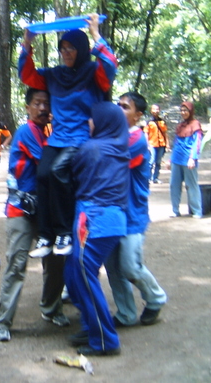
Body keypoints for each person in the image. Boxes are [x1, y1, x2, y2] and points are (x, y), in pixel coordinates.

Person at [19, 14, 118, 257]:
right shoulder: (54, 75)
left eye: (71, 47)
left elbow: (110, 67)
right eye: (62, 48)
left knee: (58, 171)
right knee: (42, 174)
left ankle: (64, 233)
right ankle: (45, 235)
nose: (66, 52)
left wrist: (96, 34)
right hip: (58, 137)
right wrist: (27, 43)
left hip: (83, 137)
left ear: (82, 49)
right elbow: (27, 75)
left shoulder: (94, 72)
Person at [0, 88, 69, 343]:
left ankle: (51, 308)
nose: (43, 108)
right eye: (37, 103)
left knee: (57, 261)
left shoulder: (48, 132)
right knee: (17, 264)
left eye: (47, 103)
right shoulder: (27, 132)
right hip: (21, 210)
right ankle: (2, 322)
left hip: (45, 209)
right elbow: (50, 162)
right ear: (27, 107)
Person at [65, 101, 129, 357]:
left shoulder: (92, 148)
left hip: (94, 221)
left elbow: (72, 171)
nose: (89, 123)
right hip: (107, 221)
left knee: (84, 275)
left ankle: (105, 340)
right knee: (74, 270)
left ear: (102, 122)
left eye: (92, 119)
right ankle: (90, 324)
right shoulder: (118, 146)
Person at [105, 92, 167, 328]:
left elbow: (110, 163)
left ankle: (156, 298)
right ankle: (126, 313)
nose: (119, 110)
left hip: (132, 215)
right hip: (112, 213)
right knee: (112, 266)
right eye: (118, 105)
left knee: (130, 266)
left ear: (138, 115)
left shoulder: (137, 141)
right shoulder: (114, 136)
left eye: (125, 107)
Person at [170, 101, 203, 218]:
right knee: (174, 185)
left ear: (191, 111)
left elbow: (197, 143)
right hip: (177, 159)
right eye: (182, 110)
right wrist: (171, 159)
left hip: (188, 159)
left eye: (186, 110)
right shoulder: (180, 126)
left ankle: (197, 211)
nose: (183, 112)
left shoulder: (196, 125)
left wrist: (193, 158)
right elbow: (176, 143)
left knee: (191, 185)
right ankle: (175, 210)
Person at [144, 104, 168, 184]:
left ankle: (155, 178)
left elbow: (165, 133)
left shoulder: (162, 121)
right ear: (151, 110)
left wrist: (167, 144)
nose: (155, 111)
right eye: (154, 109)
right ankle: (148, 178)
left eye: (157, 109)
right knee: (151, 161)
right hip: (152, 144)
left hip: (161, 144)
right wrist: (147, 145)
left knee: (158, 162)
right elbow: (146, 134)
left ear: (159, 110)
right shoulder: (148, 122)